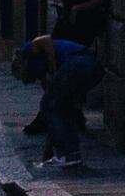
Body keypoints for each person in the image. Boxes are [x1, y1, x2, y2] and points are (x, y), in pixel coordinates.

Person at [25, 0, 106, 135]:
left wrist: (76, 8)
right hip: (73, 33)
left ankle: (54, 113)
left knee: (61, 73)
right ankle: (68, 113)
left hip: (78, 34)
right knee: (64, 75)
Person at [12, 34, 104, 168]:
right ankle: (71, 155)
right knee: (61, 108)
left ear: (22, 64)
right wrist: (48, 149)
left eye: (21, 76)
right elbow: (50, 114)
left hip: (79, 62)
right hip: (93, 66)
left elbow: (46, 39)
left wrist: (53, 69)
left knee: (51, 106)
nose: (26, 82)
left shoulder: (28, 51)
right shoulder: (45, 78)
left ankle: (68, 152)